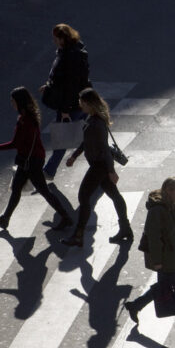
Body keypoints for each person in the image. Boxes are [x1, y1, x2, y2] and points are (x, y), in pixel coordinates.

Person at [124, 178, 175, 336]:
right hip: (164, 258)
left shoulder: (170, 204)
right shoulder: (157, 210)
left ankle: (136, 306)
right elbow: (154, 237)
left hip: (171, 255)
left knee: (165, 288)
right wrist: (157, 261)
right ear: (168, 191)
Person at [60, 88, 132, 247]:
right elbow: (85, 141)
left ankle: (78, 236)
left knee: (83, 197)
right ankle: (126, 229)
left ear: (88, 103)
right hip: (98, 165)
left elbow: (105, 149)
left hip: (100, 166)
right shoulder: (91, 118)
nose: (80, 105)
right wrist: (74, 156)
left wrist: (111, 171)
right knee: (114, 195)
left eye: (82, 103)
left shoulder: (97, 123)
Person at [0, 87, 72, 230]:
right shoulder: (26, 117)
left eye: (13, 101)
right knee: (16, 188)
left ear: (19, 102)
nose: (11, 103)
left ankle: (66, 217)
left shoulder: (25, 120)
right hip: (29, 159)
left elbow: (16, 143)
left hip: (32, 161)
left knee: (43, 191)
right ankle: (5, 218)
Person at [39, 23, 92, 180]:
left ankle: (49, 171)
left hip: (71, 104)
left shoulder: (69, 56)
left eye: (56, 38)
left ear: (62, 38)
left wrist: (65, 108)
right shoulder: (75, 51)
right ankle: (104, 160)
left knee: (62, 138)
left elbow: (69, 85)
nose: (54, 41)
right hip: (81, 101)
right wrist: (49, 86)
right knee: (89, 133)